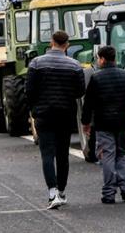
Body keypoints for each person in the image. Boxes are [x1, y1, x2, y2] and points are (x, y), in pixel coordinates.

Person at [81, 45, 125, 204]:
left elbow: (88, 104)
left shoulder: (96, 78)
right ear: (114, 58)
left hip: (103, 124)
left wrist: (85, 123)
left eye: (98, 59)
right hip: (123, 123)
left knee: (107, 156)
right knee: (122, 155)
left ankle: (109, 193)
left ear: (102, 59)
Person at [26, 30, 86, 210]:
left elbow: (29, 90)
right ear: (67, 45)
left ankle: (52, 192)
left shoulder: (36, 63)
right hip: (65, 114)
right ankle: (62, 191)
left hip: (43, 114)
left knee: (47, 154)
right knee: (62, 154)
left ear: (51, 42)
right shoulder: (75, 65)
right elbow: (80, 92)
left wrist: (35, 108)